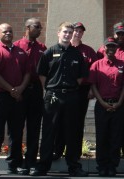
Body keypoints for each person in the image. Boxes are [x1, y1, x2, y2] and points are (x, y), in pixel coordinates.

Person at [32, 22, 89, 177]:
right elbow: (42, 75)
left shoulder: (77, 54)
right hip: (53, 96)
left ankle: (74, 167)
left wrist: (68, 89)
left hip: (71, 96)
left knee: (72, 132)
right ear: (58, 33)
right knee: (49, 131)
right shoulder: (49, 52)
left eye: (70, 32)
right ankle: (43, 166)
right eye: (65, 32)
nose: (67, 35)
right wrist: (52, 89)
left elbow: (80, 77)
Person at [0, 23, 30, 176]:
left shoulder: (21, 52)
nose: (8, 34)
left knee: (16, 132)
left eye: (10, 31)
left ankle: (14, 164)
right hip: (0, 97)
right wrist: (12, 90)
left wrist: (20, 89)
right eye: (4, 32)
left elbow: (28, 73)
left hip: (17, 97)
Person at [52, 21, 98, 161]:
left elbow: (94, 72)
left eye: (80, 31)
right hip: (63, 91)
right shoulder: (61, 49)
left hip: (81, 90)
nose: (77, 33)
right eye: (76, 30)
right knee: (59, 121)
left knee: (77, 123)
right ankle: (57, 150)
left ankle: (74, 153)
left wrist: (91, 89)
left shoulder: (88, 51)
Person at [97, 20, 124, 159]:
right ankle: (108, 155)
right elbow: (98, 68)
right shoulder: (103, 49)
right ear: (114, 34)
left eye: (123, 34)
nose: (120, 36)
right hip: (108, 92)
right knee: (109, 128)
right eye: (118, 34)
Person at [89, 37, 124, 177]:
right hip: (102, 105)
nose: (111, 49)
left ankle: (112, 166)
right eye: (108, 46)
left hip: (118, 105)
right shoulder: (96, 65)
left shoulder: (123, 66)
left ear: (116, 49)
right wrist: (103, 103)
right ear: (103, 48)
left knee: (115, 137)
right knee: (102, 137)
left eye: (113, 47)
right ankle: (102, 166)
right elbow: (93, 85)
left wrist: (119, 103)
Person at [13, 17, 47, 173]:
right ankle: (16, 162)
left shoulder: (42, 48)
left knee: (34, 128)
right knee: (17, 128)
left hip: (36, 91)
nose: (40, 29)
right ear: (27, 27)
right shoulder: (16, 46)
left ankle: (31, 161)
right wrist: (17, 90)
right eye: (37, 27)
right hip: (20, 92)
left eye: (40, 27)